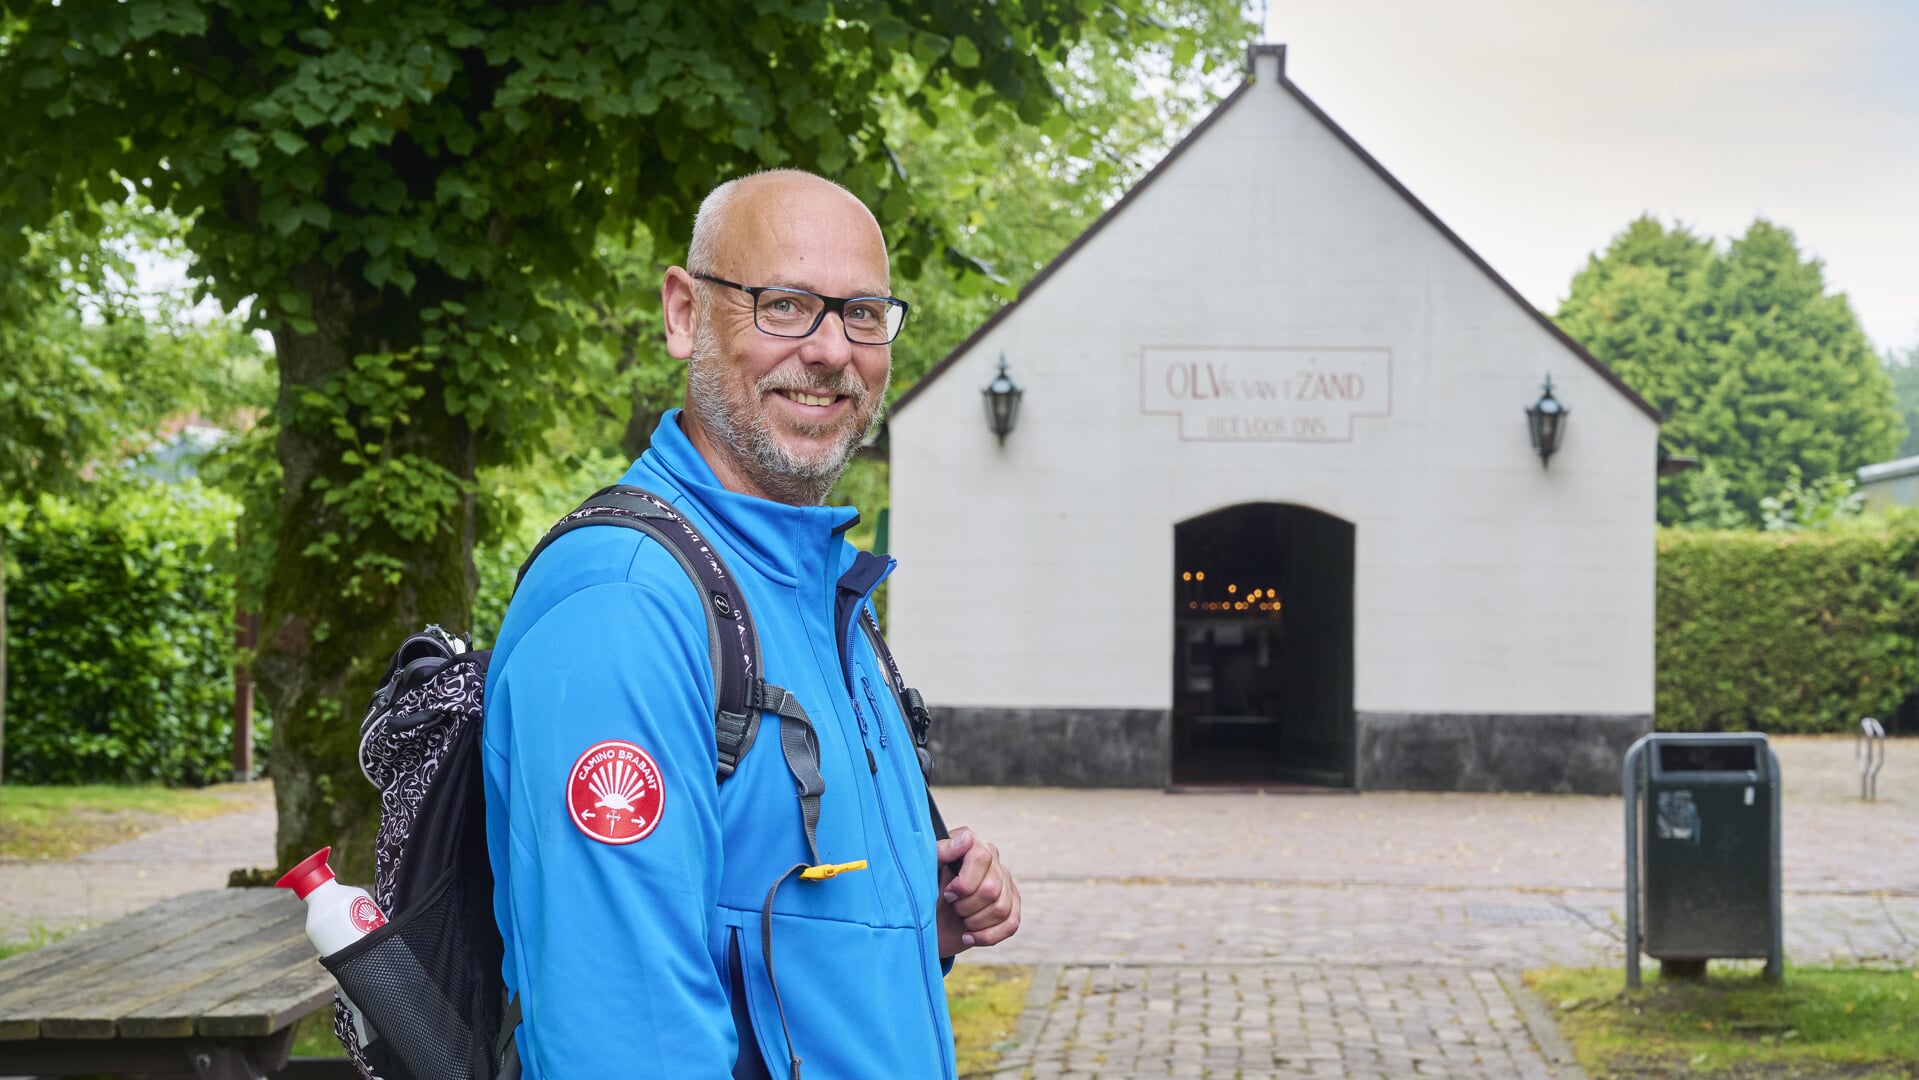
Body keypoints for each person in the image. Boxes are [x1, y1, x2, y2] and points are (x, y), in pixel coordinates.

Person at [482, 169, 1021, 1079]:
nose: (829, 351)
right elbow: (623, 1043)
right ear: (684, 313)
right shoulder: (625, 605)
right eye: (784, 305)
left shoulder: (816, 591)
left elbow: (763, 926)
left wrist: (903, 916)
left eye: (861, 314)